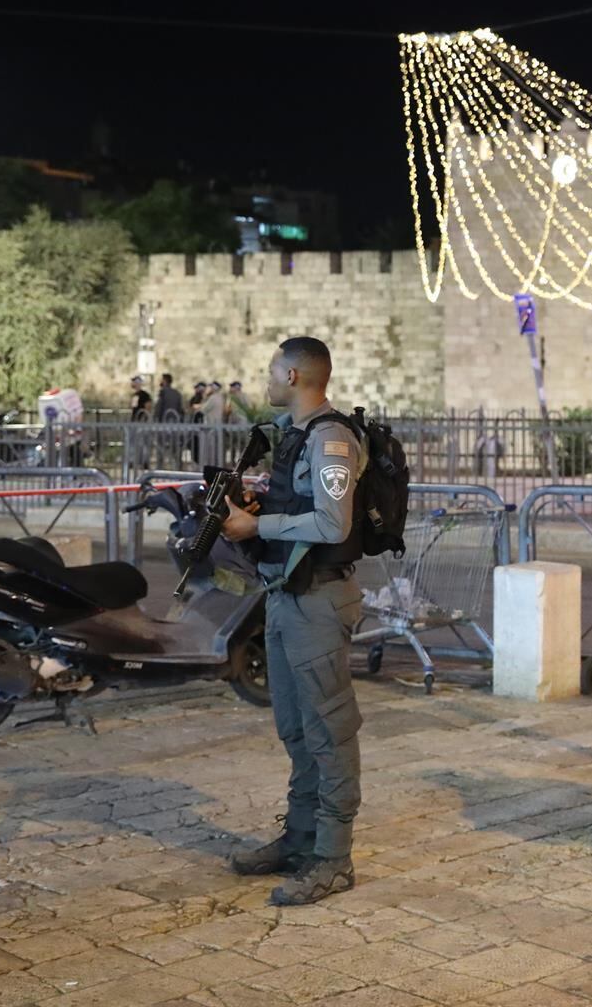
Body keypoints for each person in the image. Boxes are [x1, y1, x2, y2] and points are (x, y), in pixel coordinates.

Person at [220, 337, 368, 906]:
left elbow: (333, 525)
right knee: (296, 729)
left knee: (330, 731)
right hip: (286, 596)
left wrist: (256, 527)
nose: (265, 380)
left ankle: (333, 858)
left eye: (270, 371)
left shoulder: (331, 438)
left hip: (320, 601)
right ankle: (301, 838)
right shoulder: (294, 436)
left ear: (292, 375)